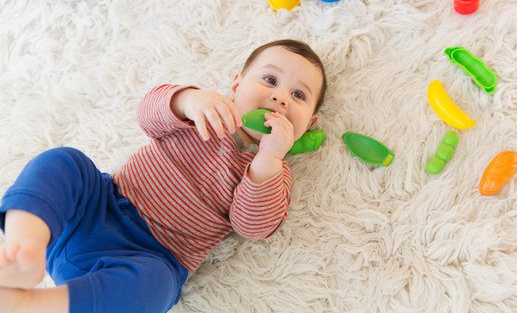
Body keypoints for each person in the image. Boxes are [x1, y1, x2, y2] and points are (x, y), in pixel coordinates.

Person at [0, 39, 327, 312]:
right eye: (270, 80)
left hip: (151, 256)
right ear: (236, 85)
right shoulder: (206, 112)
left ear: (308, 125)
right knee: (65, 162)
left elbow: (252, 226)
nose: (280, 97)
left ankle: (41, 304)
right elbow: (147, 116)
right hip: (98, 206)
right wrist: (186, 99)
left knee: (156, 286)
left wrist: (269, 158)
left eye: (298, 96)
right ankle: (23, 248)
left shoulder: (274, 171)